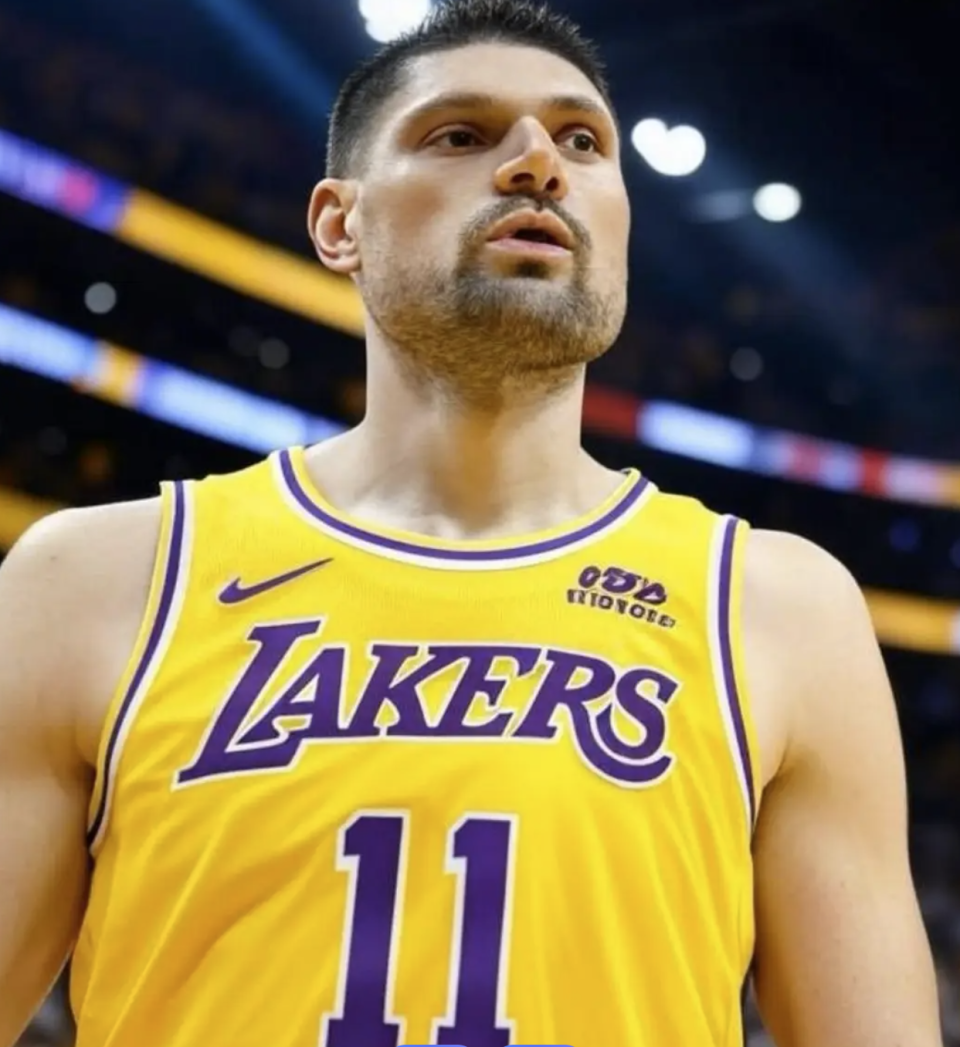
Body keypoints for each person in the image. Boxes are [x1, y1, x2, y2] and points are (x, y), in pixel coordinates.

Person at [0, 1, 943, 1044]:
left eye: (582, 141)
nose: (539, 162)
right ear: (339, 224)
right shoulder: (96, 579)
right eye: (461, 134)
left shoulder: (779, 609)